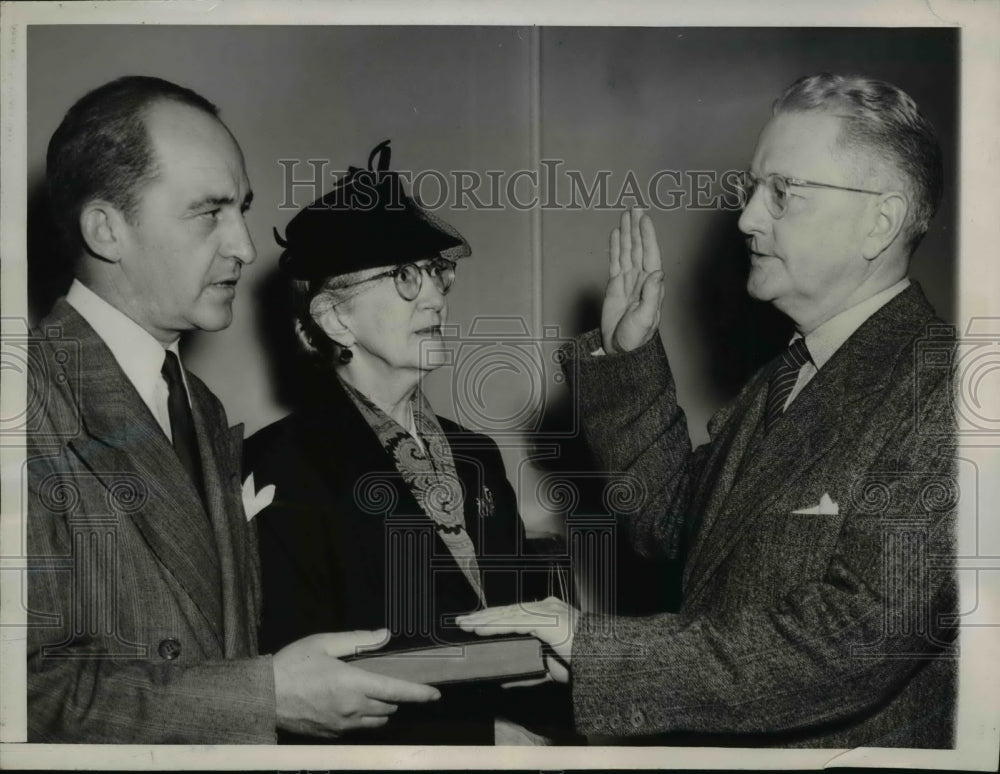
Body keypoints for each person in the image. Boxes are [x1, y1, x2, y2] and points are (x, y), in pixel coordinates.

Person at [459, 73, 958, 748]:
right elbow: (673, 525)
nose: (748, 217)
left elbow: (852, 641)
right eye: (754, 189)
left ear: (881, 220)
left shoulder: (945, 392)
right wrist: (626, 356)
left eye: (782, 192)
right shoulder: (785, 377)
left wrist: (594, 646)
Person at [26, 76, 441, 743]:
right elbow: (25, 698)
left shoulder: (201, 406)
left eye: (241, 210)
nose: (245, 246)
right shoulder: (25, 403)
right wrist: (263, 696)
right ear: (106, 229)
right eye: (209, 212)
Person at [243, 140, 569, 745]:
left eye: (436, 272)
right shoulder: (279, 466)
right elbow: (310, 692)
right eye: (402, 276)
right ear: (335, 319)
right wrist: (478, 737)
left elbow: (528, 631)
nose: (436, 295)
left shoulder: (476, 455)